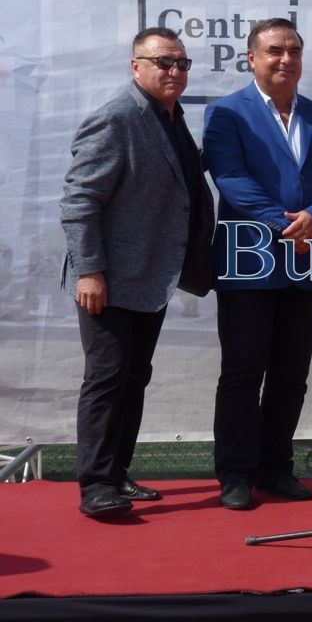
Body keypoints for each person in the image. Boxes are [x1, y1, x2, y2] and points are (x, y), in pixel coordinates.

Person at [60, 27, 214, 517]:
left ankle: (117, 474)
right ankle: (96, 487)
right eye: (164, 62)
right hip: (107, 280)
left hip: (150, 276)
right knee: (106, 378)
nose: (175, 71)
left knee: (133, 377)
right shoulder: (116, 118)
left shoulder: (172, 118)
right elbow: (79, 201)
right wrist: (89, 271)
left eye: (182, 63)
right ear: (136, 66)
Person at [203, 18, 312, 510]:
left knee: (291, 374)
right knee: (243, 371)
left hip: (308, 261)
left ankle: (275, 468)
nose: (285, 59)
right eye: (274, 50)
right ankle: (236, 474)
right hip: (249, 261)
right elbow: (231, 178)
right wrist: (288, 225)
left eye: (293, 50)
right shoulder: (227, 113)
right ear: (251, 58)